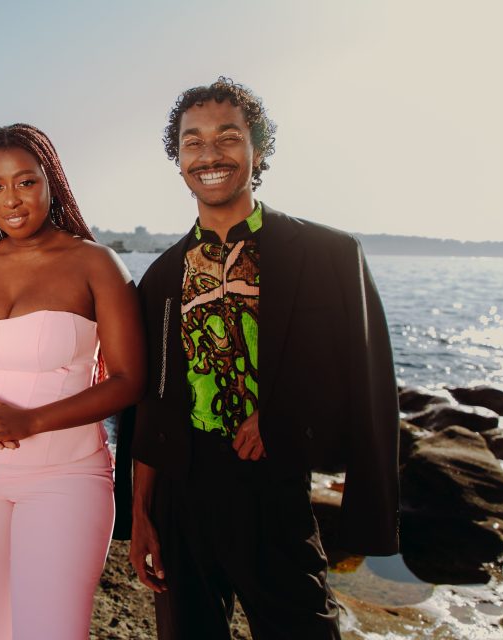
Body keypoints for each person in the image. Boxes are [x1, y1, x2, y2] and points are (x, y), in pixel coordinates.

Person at [115, 77, 400, 639]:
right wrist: (141, 516)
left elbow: (366, 381)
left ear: (257, 150)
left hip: (273, 491)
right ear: (178, 160)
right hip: (181, 496)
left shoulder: (328, 256)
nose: (209, 154)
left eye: (228, 137)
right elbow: (149, 402)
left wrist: (288, 419)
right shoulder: (161, 277)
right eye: (192, 142)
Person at [0, 123, 144, 640]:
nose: (11, 200)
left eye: (25, 182)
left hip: (65, 479)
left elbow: (129, 380)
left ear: (52, 182)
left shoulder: (95, 263)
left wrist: (31, 420)